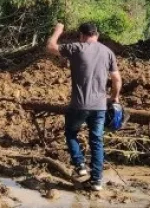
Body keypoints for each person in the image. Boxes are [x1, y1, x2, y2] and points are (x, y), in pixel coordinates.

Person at [46, 22, 122, 191]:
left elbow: (51, 47)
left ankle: (80, 164)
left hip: (79, 105)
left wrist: (58, 30)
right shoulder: (108, 52)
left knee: (70, 133)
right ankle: (97, 181)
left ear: (81, 35)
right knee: (97, 141)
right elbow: (117, 79)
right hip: (100, 107)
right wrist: (114, 98)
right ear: (97, 35)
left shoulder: (76, 48)